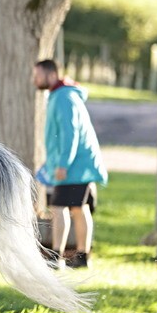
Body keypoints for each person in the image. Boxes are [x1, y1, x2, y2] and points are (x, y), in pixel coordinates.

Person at [33, 59, 108, 269]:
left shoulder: (64, 98)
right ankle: (82, 256)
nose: (34, 80)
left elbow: (69, 133)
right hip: (78, 165)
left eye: (37, 76)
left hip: (74, 166)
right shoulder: (63, 95)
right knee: (78, 208)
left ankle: (56, 256)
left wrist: (63, 164)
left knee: (59, 208)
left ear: (50, 75)